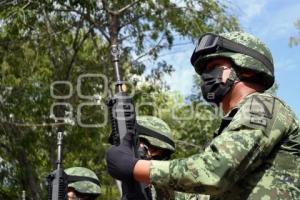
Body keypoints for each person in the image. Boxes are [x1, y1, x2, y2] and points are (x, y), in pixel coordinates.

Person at [106, 31, 300, 199]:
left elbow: (213, 172)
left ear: (245, 67)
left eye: (213, 67)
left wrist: (134, 167)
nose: (205, 77)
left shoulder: (264, 104)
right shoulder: (228, 131)